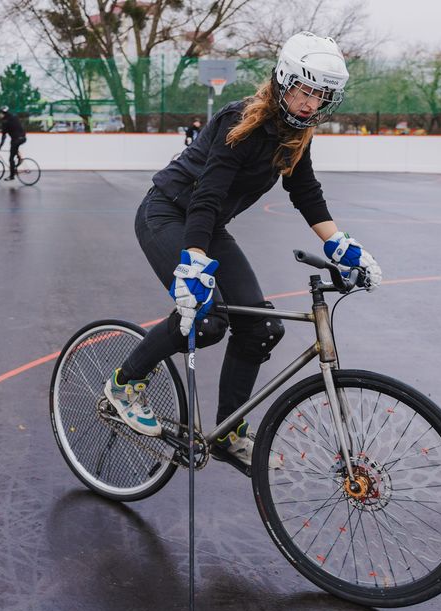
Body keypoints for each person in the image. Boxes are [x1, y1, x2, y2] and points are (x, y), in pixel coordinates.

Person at [103, 32, 382, 473]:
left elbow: (305, 192)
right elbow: (207, 195)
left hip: (207, 225)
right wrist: (193, 263)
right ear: (284, 80)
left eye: (320, 96)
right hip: (169, 213)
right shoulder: (241, 122)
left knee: (262, 327)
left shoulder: (298, 132)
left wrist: (340, 244)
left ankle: (228, 433)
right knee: (208, 318)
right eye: (305, 91)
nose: (311, 104)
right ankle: (126, 382)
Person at [0, 106, 27, 181]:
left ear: (2, 114)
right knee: (13, 147)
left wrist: (0, 146)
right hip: (23, 138)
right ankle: (19, 157)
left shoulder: (5, 122)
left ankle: (12, 176)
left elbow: (4, 136)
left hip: (16, 139)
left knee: (11, 159)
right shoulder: (14, 116)